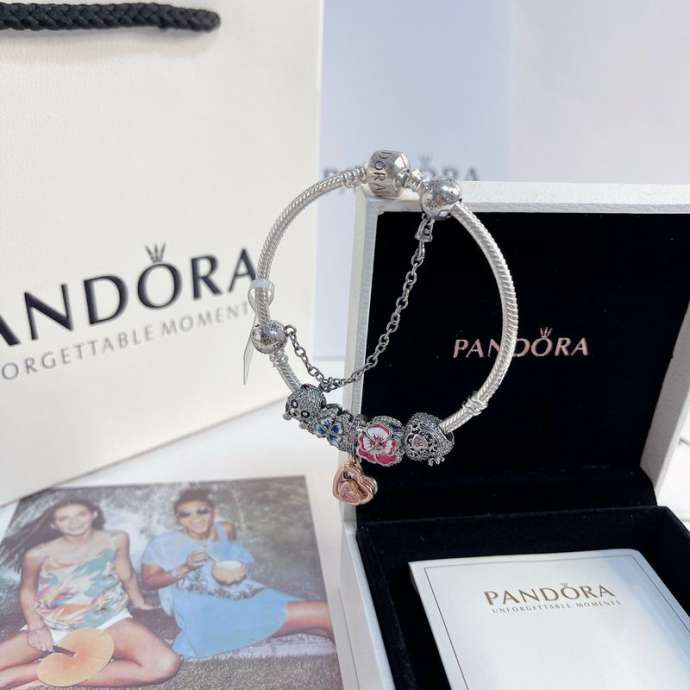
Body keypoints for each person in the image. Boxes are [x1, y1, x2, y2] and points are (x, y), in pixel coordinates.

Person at [0, 498, 180, 690]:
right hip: (53, 625)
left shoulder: (117, 538)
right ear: (54, 524)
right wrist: (36, 626)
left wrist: (139, 601)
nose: (74, 522)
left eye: (81, 514)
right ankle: (63, 666)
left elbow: (126, 573)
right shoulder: (37, 554)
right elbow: (27, 591)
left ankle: (44, 672)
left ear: (93, 514)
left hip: (108, 621)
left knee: (163, 665)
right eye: (64, 518)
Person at [141, 488, 333, 658]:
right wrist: (185, 567)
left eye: (202, 511)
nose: (196, 519)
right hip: (208, 613)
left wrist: (238, 570)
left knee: (324, 624)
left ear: (213, 511)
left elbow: (240, 562)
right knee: (326, 614)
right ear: (177, 519)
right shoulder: (162, 544)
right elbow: (148, 582)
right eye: (185, 514)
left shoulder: (226, 530)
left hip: (244, 595)